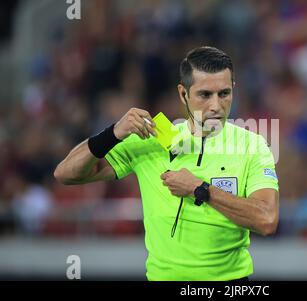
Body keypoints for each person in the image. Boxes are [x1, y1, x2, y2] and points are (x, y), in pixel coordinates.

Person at [54, 46, 279, 281]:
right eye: (204, 95)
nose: (216, 106)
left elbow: (267, 220)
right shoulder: (152, 140)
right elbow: (66, 173)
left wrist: (200, 189)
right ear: (183, 94)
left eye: (224, 93)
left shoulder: (252, 145)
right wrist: (113, 133)